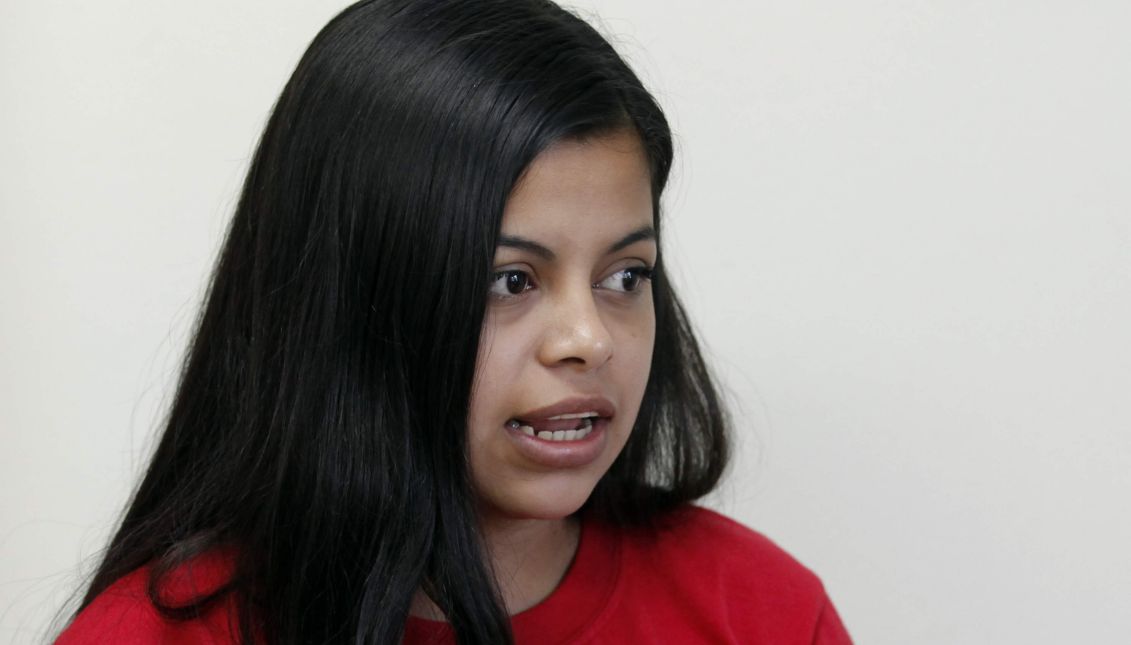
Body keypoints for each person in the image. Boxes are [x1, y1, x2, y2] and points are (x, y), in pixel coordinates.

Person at [56, 0, 852, 643]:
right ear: (353, 300)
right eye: (511, 279)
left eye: (623, 275)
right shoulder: (146, 634)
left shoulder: (762, 611)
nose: (589, 338)